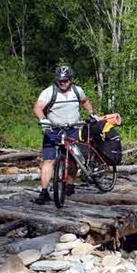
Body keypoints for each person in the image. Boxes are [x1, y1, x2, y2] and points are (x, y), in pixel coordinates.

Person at [32, 65, 97, 204]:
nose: (62, 83)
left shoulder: (77, 90)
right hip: (53, 129)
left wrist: (92, 114)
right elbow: (38, 107)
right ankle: (44, 192)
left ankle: (70, 185)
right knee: (49, 160)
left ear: (70, 80)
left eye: (65, 80)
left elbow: (85, 101)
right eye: (60, 80)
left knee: (73, 159)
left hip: (73, 128)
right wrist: (43, 120)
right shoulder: (49, 92)